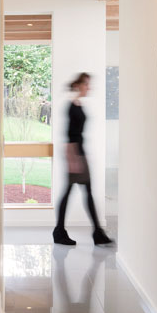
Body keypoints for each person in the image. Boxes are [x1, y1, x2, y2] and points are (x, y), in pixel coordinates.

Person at [53, 72, 114, 247]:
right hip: (74, 155)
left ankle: (92, 232)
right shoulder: (72, 106)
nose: (89, 87)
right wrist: (73, 159)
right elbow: (69, 135)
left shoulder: (77, 104)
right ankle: (64, 232)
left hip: (79, 153)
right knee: (78, 192)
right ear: (79, 85)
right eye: (87, 84)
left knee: (82, 192)